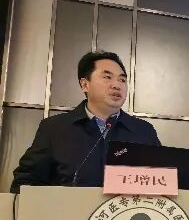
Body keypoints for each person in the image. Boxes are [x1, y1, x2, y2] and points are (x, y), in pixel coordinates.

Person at [10, 51, 161, 193]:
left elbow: (162, 180)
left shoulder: (143, 131)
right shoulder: (54, 128)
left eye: (122, 79)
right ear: (85, 85)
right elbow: (26, 181)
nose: (117, 85)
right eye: (107, 77)